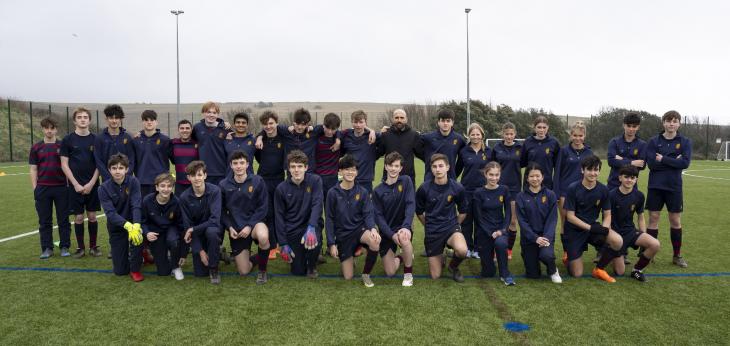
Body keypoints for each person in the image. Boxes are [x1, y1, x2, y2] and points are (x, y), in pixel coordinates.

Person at [563, 155, 624, 283]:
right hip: (575, 230)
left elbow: (607, 214)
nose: (593, 173)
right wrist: (591, 228)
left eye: (596, 170)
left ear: (599, 171)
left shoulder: (603, 189)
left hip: (594, 227)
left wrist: (605, 229)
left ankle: (599, 269)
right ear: (582, 170)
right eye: (589, 170)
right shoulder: (573, 188)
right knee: (577, 274)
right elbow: (570, 217)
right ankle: (569, 256)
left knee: (617, 241)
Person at [325, 155, 381, 287]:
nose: (350, 172)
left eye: (353, 169)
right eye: (346, 169)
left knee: (375, 240)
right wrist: (331, 244)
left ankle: (366, 274)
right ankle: (352, 254)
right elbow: (329, 219)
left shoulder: (363, 192)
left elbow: (368, 214)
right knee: (348, 277)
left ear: (357, 172)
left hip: (359, 230)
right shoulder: (332, 193)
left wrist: (372, 228)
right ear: (340, 171)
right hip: (343, 235)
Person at [645, 110, 691, 267]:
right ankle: (649, 254)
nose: (671, 124)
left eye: (675, 121)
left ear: (679, 123)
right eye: (668, 120)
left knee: (675, 220)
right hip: (655, 186)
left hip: (674, 187)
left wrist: (663, 158)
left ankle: (677, 256)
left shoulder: (685, 142)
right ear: (663, 122)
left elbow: (684, 163)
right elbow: (651, 164)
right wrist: (673, 161)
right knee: (653, 218)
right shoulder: (653, 141)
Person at [219, 151, 271, 284]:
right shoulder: (224, 185)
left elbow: (263, 207)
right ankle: (260, 255)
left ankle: (262, 271)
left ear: (248, 164)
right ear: (230, 165)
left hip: (254, 225)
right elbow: (222, 211)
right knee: (244, 271)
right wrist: (229, 227)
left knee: (263, 236)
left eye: (242, 163)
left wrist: (249, 225)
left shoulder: (257, 181)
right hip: (237, 229)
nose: (239, 166)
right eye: (235, 163)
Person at [416, 154, 468, 282]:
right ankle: (442, 255)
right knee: (435, 276)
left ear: (448, 167)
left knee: (462, 250)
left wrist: (455, 225)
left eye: (441, 166)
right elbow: (419, 212)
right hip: (433, 231)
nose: (438, 169)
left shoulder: (457, 187)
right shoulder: (424, 188)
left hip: (450, 228)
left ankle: (453, 267)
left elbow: (463, 211)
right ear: (431, 169)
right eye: (434, 167)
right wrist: (428, 226)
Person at [274, 150, 324, 278]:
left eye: (300, 166)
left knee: (313, 241)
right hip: (293, 228)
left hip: (310, 225)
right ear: (288, 168)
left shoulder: (315, 180)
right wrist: (283, 243)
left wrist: (312, 227)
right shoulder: (281, 188)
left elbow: (317, 205)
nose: (296, 170)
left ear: (306, 167)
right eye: (293, 166)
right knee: (297, 271)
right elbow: (279, 217)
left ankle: (312, 265)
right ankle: (305, 255)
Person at [60, 107, 101, 258]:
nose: (83, 119)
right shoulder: (67, 140)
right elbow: (64, 164)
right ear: (74, 120)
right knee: (78, 218)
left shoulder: (96, 139)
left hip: (93, 185)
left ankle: (93, 247)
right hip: (74, 186)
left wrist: (91, 183)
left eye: (85, 117)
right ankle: (80, 248)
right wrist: (76, 184)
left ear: (89, 120)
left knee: (92, 216)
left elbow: (99, 164)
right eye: (79, 117)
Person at [609, 166, 661, 282]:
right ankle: (611, 252)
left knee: (655, 244)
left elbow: (641, 217)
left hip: (630, 231)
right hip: (615, 234)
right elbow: (606, 218)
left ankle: (637, 270)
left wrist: (643, 234)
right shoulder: (611, 195)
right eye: (626, 177)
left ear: (636, 180)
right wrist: (610, 237)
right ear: (620, 178)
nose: (629, 180)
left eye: (632, 178)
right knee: (619, 272)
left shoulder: (639, 196)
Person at [97, 154, 144, 282]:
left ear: (126, 169)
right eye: (114, 168)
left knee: (137, 238)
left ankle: (136, 267)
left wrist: (136, 225)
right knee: (120, 271)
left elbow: (136, 204)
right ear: (109, 170)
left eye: (121, 168)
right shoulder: (103, 188)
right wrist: (127, 225)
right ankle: (135, 256)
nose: (117, 171)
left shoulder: (133, 181)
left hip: (134, 223)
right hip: (117, 227)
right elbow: (110, 214)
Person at [372, 152, 416, 286]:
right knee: (390, 272)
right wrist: (391, 235)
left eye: (396, 166)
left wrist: (406, 226)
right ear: (385, 166)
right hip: (387, 232)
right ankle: (401, 257)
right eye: (390, 165)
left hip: (402, 226)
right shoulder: (378, 191)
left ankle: (408, 274)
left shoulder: (406, 181)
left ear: (401, 168)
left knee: (404, 237)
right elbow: (378, 218)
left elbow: (410, 204)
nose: (393, 169)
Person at [30, 116, 71, 258]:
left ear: (56, 129)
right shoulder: (36, 148)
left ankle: (65, 246)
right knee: (44, 221)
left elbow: (67, 166)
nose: (49, 131)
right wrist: (35, 188)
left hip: (61, 188)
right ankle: (47, 248)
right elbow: (33, 169)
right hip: (43, 189)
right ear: (42, 129)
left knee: (63, 219)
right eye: (46, 128)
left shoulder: (63, 146)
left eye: (52, 128)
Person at [553, 121, 593, 263]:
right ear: (570, 136)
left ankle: (578, 250)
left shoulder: (589, 152)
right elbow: (557, 172)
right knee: (565, 223)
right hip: (565, 192)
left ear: (585, 135)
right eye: (575, 135)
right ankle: (566, 252)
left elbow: (592, 173)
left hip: (583, 192)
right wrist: (556, 193)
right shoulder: (564, 151)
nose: (577, 138)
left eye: (580, 135)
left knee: (581, 221)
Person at [516, 163, 562, 283]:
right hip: (529, 239)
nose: (535, 179)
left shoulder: (550, 194)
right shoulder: (520, 197)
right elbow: (522, 221)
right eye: (531, 176)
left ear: (542, 177)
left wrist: (545, 238)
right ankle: (528, 254)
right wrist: (535, 238)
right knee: (533, 275)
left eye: (537, 176)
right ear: (527, 178)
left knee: (546, 256)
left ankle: (553, 270)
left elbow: (552, 220)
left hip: (546, 236)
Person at [179, 160, 224, 284]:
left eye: (199, 175)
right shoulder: (184, 197)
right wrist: (200, 251)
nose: (196, 178)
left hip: (212, 229)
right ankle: (214, 253)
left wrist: (193, 229)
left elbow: (215, 220)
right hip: (197, 236)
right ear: (188, 177)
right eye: (193, 175)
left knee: (212, 232)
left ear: (205, 175)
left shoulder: (215, 191)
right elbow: (188, 227)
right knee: (200, 274)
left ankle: (214, 269)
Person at [472, 162, 515, 285]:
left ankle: (505, 274)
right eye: (491, 174)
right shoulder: (478, 192)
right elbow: (478, 218)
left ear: (500, 175)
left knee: (501, 243)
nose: (494, 178)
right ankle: (491, 262)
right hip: (484, 232)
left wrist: (501, 231)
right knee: (488, 273)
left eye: (497, 175)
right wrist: (490, 233)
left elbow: (508, 214)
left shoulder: (504, 190)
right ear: (485, 174)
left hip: (499, 229)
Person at [455, 123, 490, 259]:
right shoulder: (464, 151)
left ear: (482, 135)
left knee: (480, 221)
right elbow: (457, 170)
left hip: (483, 191)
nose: (475, 136)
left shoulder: (488, 152)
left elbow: (494, 170)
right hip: (466, 191)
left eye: (478, 134)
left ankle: (478, 249)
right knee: (467, 221)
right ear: (468, 135)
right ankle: (468, 247)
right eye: (472, 134)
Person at [254, 111, 286, 259]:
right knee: (268, 213)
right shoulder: (260, 140)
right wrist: (260, 136)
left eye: (271, 123)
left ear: (276, 123)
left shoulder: (283, 137)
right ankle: (272, 246)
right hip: (263, 180)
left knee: (279, 211)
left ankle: (280, 243)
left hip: (279, 179)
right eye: (265, 124)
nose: (268, 126)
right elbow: (258, 158)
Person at [141, 173, 185, 280]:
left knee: (173, 240)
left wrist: (183, 251)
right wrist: (147, 233)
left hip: (171, 229)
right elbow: (142, 221)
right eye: (162, 186)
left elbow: (181, 226)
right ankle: (159, 254)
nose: (166, 189)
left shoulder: (176, 202)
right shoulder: (147, 200)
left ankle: (175, 266)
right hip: (155, 232)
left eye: (169, 186)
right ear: (156, 187)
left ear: (173, 188)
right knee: (163, 272)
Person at [491, 122, 521, 259]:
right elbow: (491, 166)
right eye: (506, 134)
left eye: (511, 134)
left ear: (515, 134)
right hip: (498, 188)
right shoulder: (496, 148)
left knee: (513, 221)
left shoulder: (520, 148)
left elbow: (525, 163)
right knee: (497, 220)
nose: (509, 136)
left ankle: (508, 249)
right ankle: (496, 248)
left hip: (514, 189)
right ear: (502, 134)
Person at [376, 109, 423, 185]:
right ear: (392, 119)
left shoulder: (414, 135)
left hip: (408, 179)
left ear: (406, 119)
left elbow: (422, 154)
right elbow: (377, 153)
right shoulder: (385, 134)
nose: (399, 120)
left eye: (402, 118)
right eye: (396, 118)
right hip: (389, 178)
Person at [133, 110, 171, 198]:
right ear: (142, 122)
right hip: (142, 181)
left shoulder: (165, 140)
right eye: (146, 120)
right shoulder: (136, 140)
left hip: (161, 181)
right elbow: (132, 161)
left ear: (156, 122)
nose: (149, 122)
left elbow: (174, 158)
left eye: (152, 120)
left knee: (160, 208)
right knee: (143, 208)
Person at [192, 101, 231, 185]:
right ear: (203, 113)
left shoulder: (225, 128)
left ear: (218, 114)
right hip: (202, 172)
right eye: (208, 112)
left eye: (214, 112)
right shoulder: (197, 128)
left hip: (221, 172)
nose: (211, 115)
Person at [94, 104, 135, 182]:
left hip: (125, 181)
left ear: (120, 120)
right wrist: (109, 178)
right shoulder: (99, 138)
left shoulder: (128, 138)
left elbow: (131, 160)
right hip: (107, 181)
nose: (114, 121)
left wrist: (125, 177)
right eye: (111, 118)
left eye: (117, 118)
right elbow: (99, 161)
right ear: (106, 119)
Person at [421, 109, 466, 181]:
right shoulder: (428, 137)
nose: (445, 123)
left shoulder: (459, 139)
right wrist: (427, 159)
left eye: (448, 121)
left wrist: (454, 173)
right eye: (443, 121)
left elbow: (462, 159)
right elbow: (416, 149)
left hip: (450, 180)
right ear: (438, 122)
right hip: (430, 180)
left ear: (452, 123)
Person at [340, 110, 379, 193]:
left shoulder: (373, 136)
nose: (358, 125)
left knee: (365, 205)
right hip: (349, 178)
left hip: (366, 181)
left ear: (365, 123)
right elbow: (333, 131)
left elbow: (388, 134)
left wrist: (372, 131)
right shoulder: (346, 135)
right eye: (355, 122)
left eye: (361, 122)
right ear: (352, 122)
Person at [607, 112, 646, 190]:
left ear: (638, 127)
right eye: (628, 126)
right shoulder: (614, 142)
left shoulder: (643, 144)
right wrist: (632, 162)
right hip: (613, 184)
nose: (631, 129)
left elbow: (642, 165)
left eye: (634, 126)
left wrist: (621, 160)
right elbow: (611, 161)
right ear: (624, 125)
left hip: (632, 186)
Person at [520, 116, 560, 190]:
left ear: (548, 127)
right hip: (530, 183)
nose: (541, 130)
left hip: (546, 184)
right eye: (539, 127)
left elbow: (557, 165)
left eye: (544, 127)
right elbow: (522, 162)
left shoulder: (554, 143)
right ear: (534, 128)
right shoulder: (527, 142)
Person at [169, 119, 199, 195]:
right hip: (179, 184)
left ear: (191, 130)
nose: (184, 130)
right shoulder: (173, 143)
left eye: (187, 128)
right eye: (182, 128)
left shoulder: (198, 144)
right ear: (178, 130)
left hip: (195, 183)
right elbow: (173, 160)